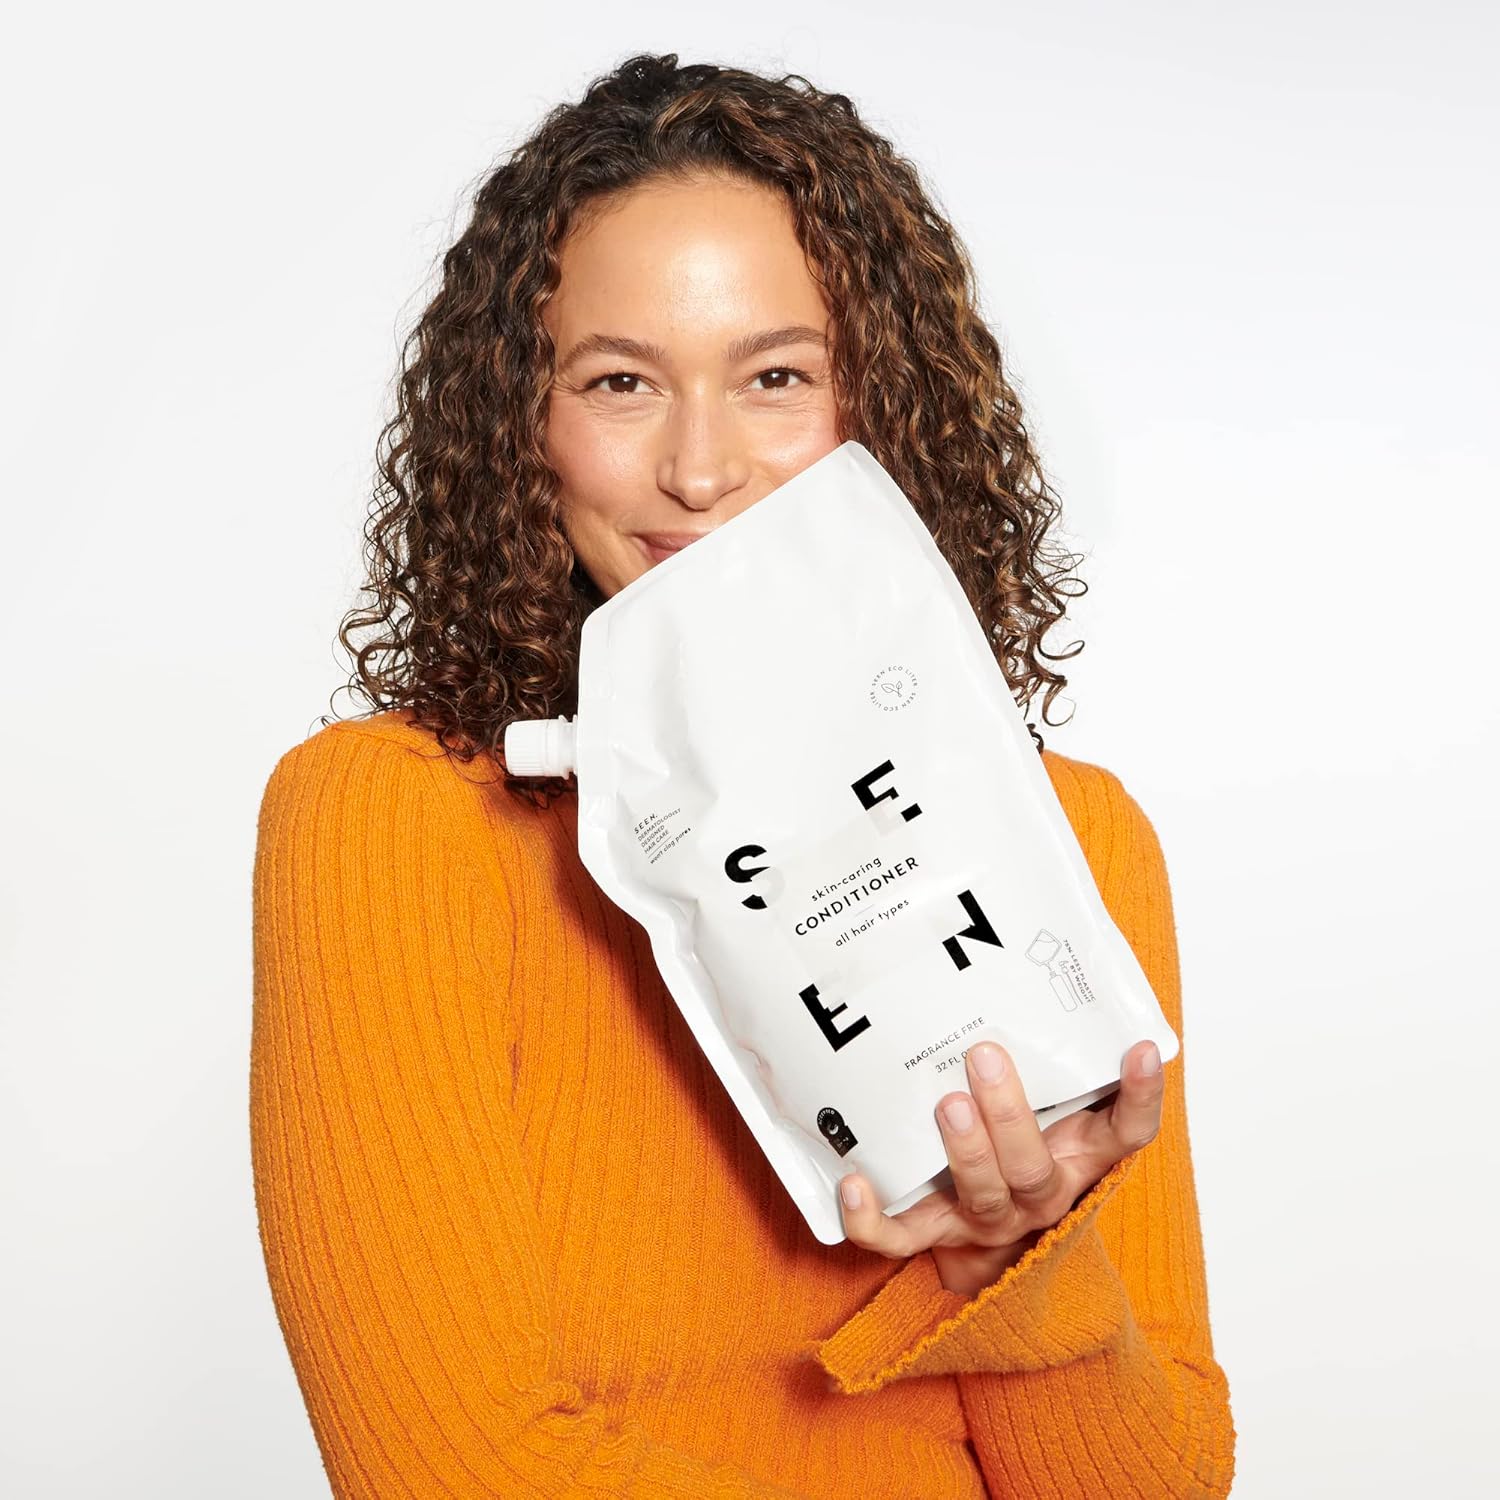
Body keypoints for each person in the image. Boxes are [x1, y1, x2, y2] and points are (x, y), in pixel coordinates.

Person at [250, 52, 1237, 1498]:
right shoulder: (393, 824)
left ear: (881, 410)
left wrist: (1013, 1257)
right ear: (521, 423)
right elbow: (450, 1470)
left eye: (778, 377)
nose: (702, 472)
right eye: (621, 382)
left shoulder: (1074, 839)